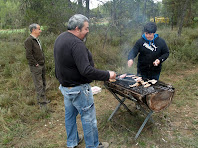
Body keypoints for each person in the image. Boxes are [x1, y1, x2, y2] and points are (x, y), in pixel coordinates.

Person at [54, 14, 116, 148]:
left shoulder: (60, 38)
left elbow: (60, 64)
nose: (88, 31)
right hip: (78, 90)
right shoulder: (77, 44)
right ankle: (93, 145)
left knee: (70, 117)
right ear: (77, 28)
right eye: (86, 29)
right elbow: (86, 70)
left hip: (66, 87)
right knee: (89, 120)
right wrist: (107, 74)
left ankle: (72, 141)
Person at [24, 23, 50, 108]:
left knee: (43, 83)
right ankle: (42, 103)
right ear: (33, 30)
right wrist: (35, 64)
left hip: (42, 64)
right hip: (36, 66)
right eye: (39, 29)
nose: (40, 30)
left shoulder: (37, 39)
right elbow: (29, 55)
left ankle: (43, 99)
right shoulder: (29, 40)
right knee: (39, 84)